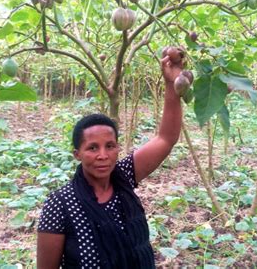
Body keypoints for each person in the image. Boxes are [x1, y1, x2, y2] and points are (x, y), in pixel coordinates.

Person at [37, 52, 184, 268]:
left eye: (110, 146)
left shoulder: (123, 176)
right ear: (77, 154)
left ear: (117, 148)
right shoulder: (60, 204)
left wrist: (171, 83)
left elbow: (166, 138)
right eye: (92, 148)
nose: (103, 156)